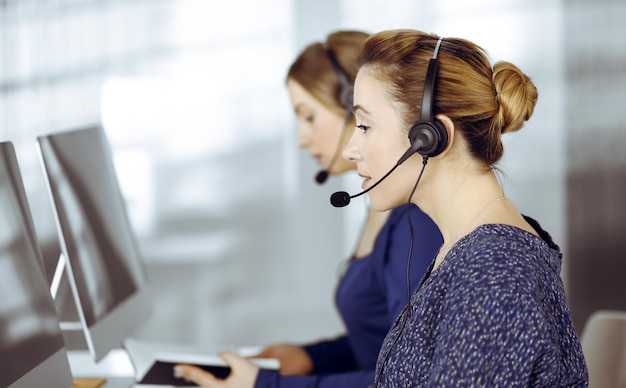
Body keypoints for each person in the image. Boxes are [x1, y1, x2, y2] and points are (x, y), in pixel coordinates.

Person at [172, 30, 443, 387]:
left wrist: (266, 385)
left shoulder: (415, 222)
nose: (301, 138)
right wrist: (312, 358)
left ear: (353, 106)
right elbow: (383, 345)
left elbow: (411, 378)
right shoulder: (382, 204)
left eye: (309, 116)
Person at [344, 30, 587, 386]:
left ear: (430, 136)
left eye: (365, 125)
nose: (351, 149)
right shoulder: (469, 252)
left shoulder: (493, 270)